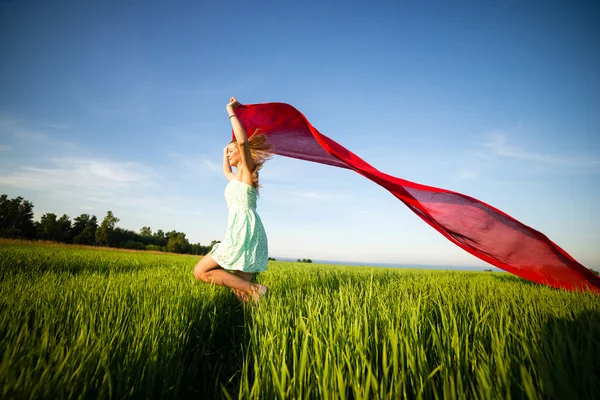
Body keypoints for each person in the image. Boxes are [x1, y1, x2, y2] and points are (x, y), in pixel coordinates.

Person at [193, 97, 271, 302]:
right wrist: (223, 151)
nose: (228, 155)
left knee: (201, 271)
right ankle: (250, 323)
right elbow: (225, 170)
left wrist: (231, 111)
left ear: (241, 152)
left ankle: (257, 288)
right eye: (226, 152)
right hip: (243, 228)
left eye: (231, 151)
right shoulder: (236, 178)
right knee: (241, 293)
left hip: (245, 229)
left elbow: (243, 141)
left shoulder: (247, 171)